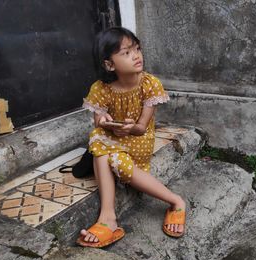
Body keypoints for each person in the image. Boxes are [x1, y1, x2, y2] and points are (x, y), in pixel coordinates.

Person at [77, 27, 186, 248]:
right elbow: (98, 121)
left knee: (112, 157)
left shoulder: (149, 84)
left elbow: (142, 128)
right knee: (98, 138)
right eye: (126, 53)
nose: (136, 55)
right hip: (113, 139)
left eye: (137, 49)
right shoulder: (101, 88)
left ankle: (176, 201)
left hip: (138, 140)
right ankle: (108, 218)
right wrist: (105, 120)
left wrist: (130, 128)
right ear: (109, 64)